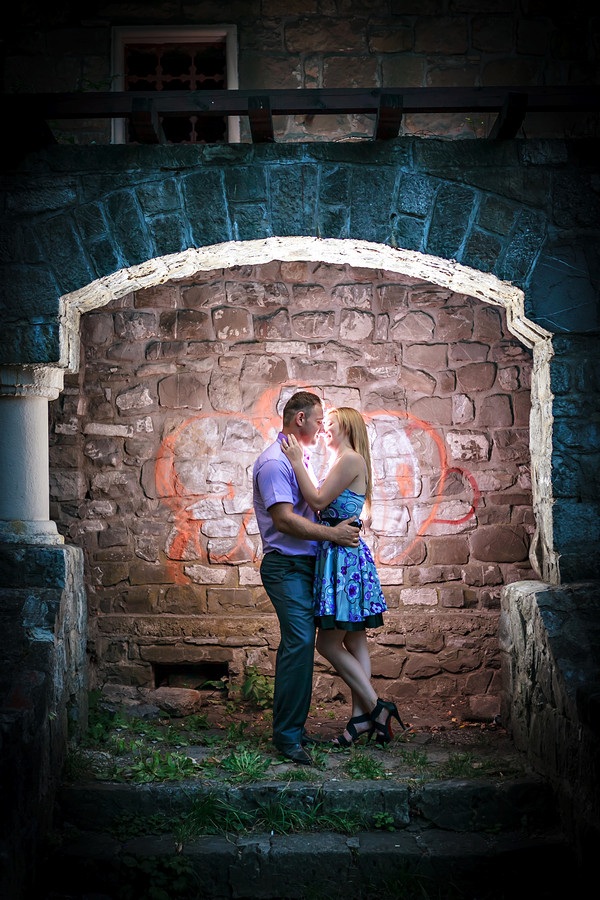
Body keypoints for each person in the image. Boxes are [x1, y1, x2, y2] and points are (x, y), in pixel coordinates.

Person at [281, 406, 406, 748]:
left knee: (326, 643)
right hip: (343, 558)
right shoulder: (345, 461)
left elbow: (317, 500)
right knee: (355, 641)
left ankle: (377, 707)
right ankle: (360, 719)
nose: (324, 430)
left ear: (346, 429)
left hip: (343, 562)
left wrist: (296, 461)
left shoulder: (350, 460)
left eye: (331, 425)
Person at [252, 391, 361, 765]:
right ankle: (286, 738)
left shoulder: (300, 458)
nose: (321, 429)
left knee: (306, 644)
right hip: (286, 567)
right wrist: (334, 534)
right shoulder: (273, 462)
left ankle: (295, 731)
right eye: (317, 421)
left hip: (307, 567)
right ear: (300, 419)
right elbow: (284, 520)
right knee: (299, 643)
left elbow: (315, 503)